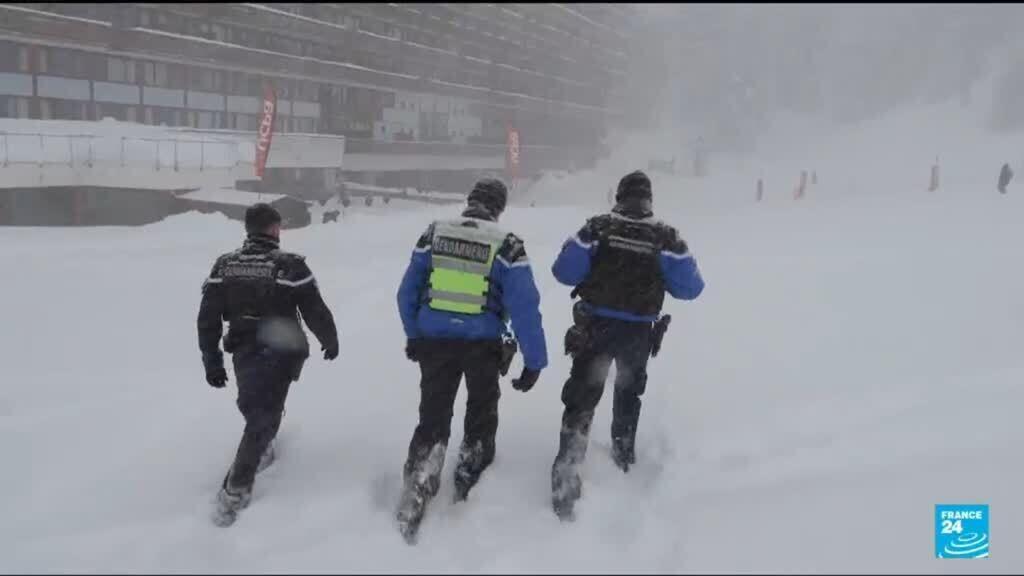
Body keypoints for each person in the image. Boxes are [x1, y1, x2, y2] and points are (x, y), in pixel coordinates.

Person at [395, 178, 548, 540]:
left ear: (471, 201)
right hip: (482, 345)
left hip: (435, 342)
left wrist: (415, 335)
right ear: (499, 207)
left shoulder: (433, 234)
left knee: (432, 414)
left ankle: (419, 480)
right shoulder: (507, 246)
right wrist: (534, 361)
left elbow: (406, 294)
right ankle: (470, 474)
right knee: (481, 409)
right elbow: (525, 308)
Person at [548, 170, 705, 520]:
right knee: (628, 394)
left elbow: (563, 271)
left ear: (618, 196)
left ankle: (566, 477)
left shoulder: (596, 228)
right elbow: (691, 288)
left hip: (596, 329)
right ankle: (622, 457)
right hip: (637, 334)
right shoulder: (666, 237)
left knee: (582, 399)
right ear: (649, 200)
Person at [197, 203, 339, 527]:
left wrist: (212, 360)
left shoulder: (225, 266)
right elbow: (315, 309)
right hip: (281, 352)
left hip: (244, 353)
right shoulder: (289, 266)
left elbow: (207, 319)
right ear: (275, 229)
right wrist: (330, 340)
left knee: (258, 409)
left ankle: (260, 448)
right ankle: (236, 490)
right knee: (261, 414)